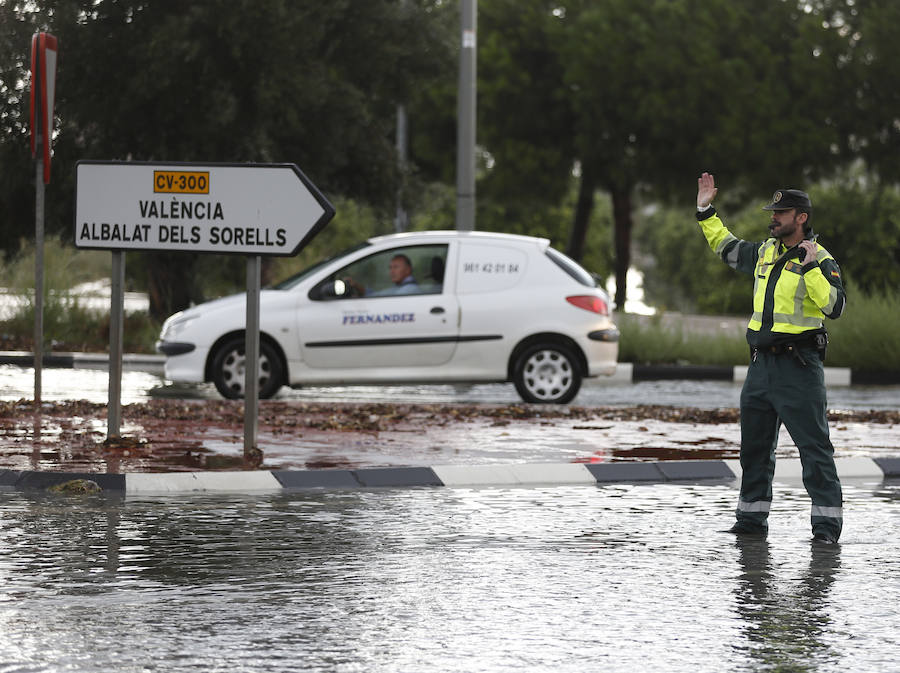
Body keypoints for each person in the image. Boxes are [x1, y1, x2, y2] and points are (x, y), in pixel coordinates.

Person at [695, 172, 846, 544]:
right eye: (773, 211)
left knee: (814, 450)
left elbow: (835, 306)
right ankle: (750, 524)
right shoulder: (765, 251)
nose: (774, 217)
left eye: (782, 212)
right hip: (761, 366)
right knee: (755, 450)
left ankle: (826, 531)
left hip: (799, 366)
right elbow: (726, 247)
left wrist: (810, 268)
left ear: (801, 218)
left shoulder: (821, 259)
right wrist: (705, 210)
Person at [345, 254, 419, 297]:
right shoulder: (400, 287)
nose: (392, 271)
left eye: (396, 267)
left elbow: (378, 301)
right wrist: (356, 286)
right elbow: (374, 295)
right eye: (390, 268)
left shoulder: (409, 290)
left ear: (408, 270)